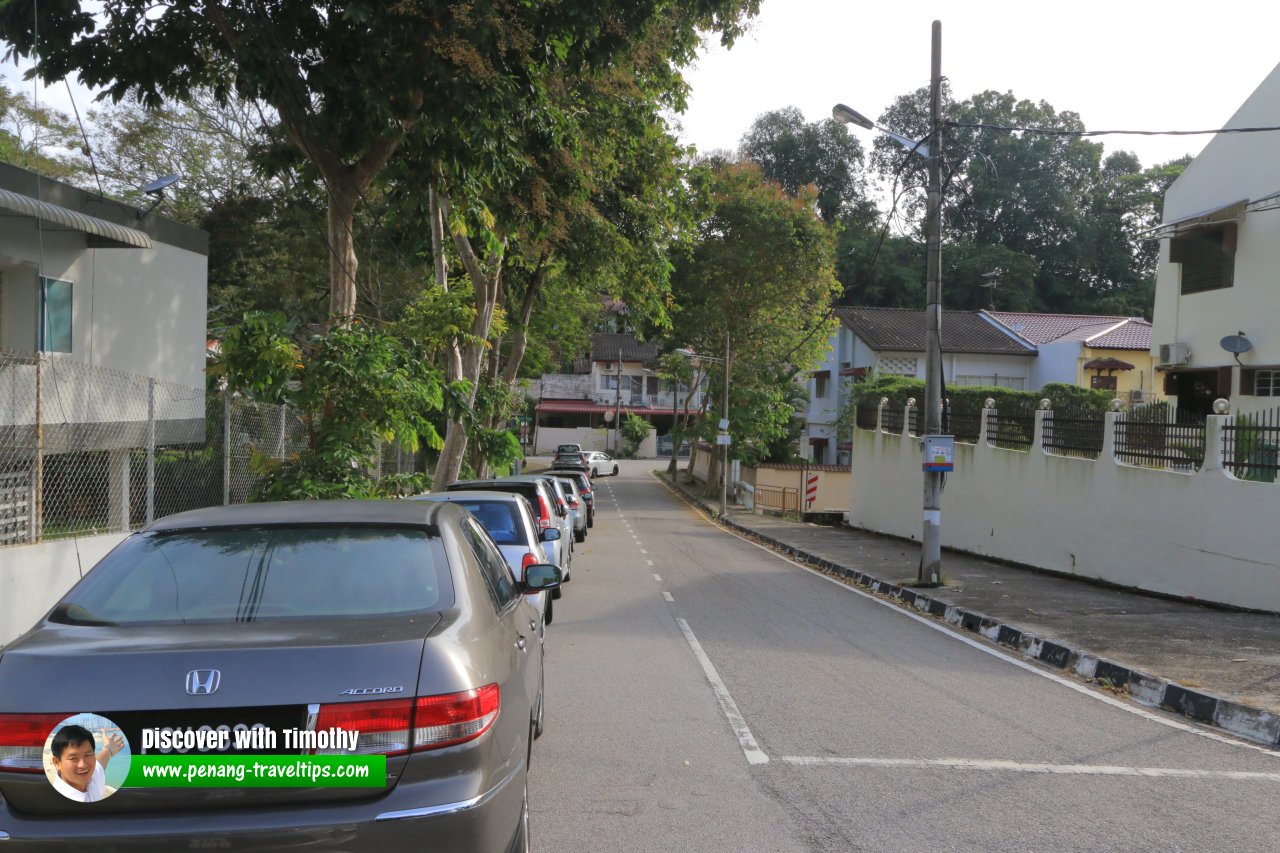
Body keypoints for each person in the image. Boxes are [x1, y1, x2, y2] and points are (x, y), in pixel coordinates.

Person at [49, 724, 125, 802]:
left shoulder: (91, 779)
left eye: (87, 755)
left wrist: (108, 749)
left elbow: (99, 764)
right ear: (57, 763)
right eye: (73, 758)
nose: (83, 765)